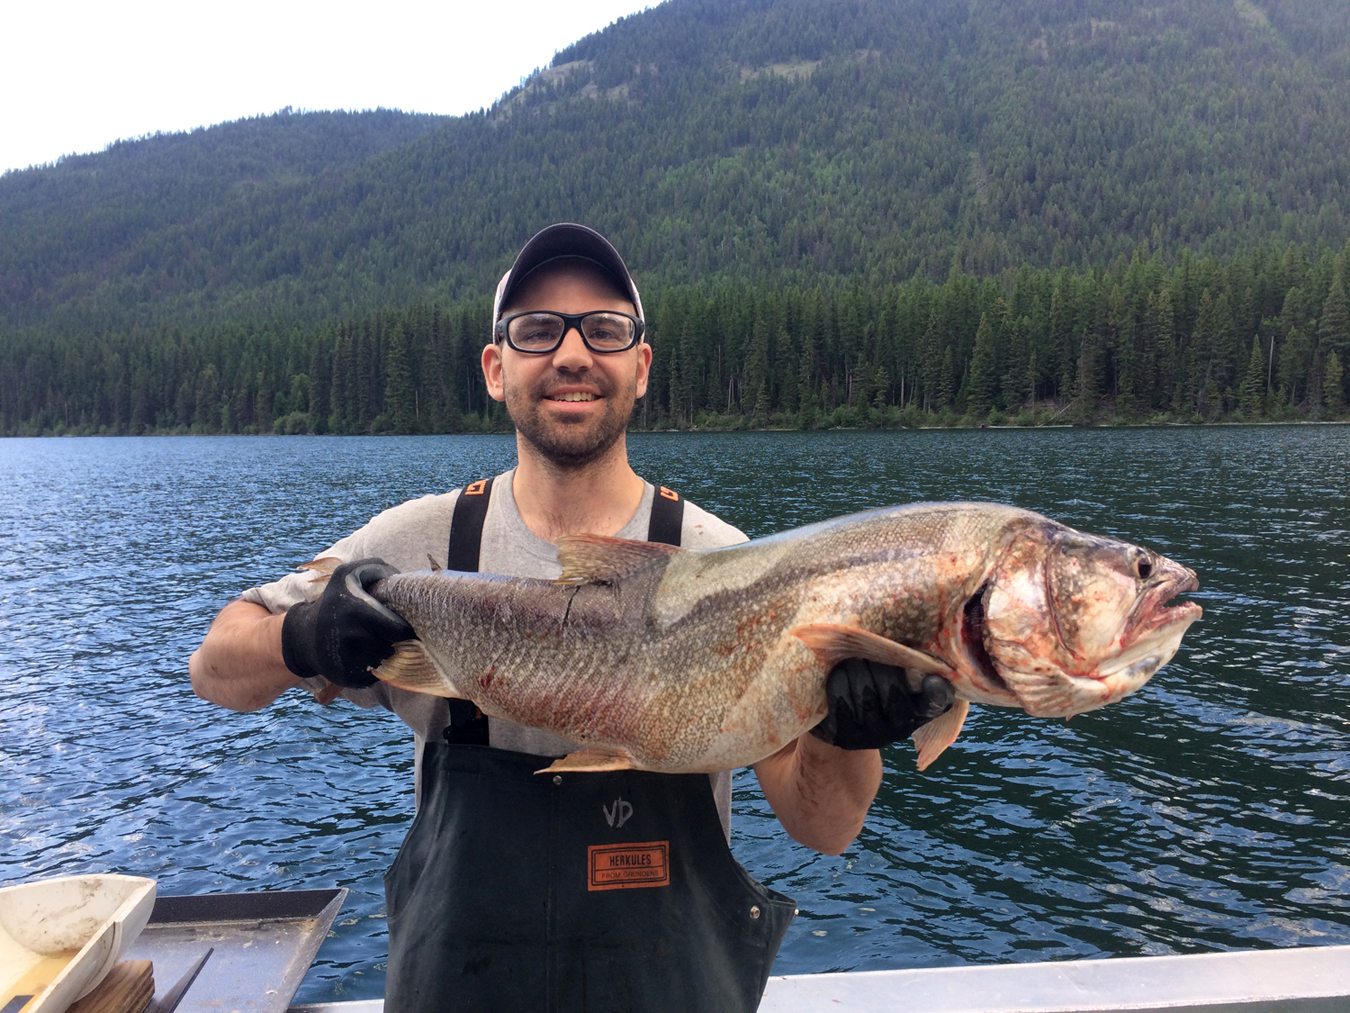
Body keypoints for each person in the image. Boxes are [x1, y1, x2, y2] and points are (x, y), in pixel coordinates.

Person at [189, 223, 953, 1013]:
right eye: (537, 330)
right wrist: (303, 634)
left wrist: (844, 732)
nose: (573, 353)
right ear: (496, 367)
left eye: (606, 329)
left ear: (641, 366)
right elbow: (215, 669)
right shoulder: (418, 546)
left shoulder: (722, 561)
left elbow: (822, 826)